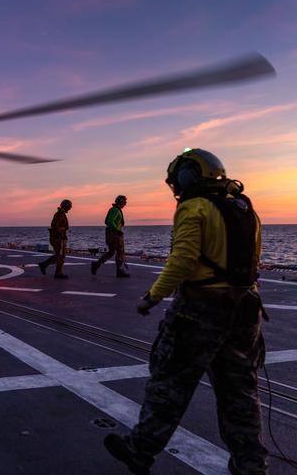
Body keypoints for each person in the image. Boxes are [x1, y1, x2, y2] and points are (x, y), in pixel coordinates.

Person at [104, 149, 268, 475]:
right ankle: (251, 465)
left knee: (168, 386)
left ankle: (140, 451)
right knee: (240, 394)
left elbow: (182, 260)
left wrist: (152, 297)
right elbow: (253, 263)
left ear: (190, 176)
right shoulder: (246, 208)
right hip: (246, 309)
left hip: (200, 312)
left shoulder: (194, 207)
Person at [91, 195, 130, 277]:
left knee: (111, 252)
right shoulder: (116, 210)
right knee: (120, 251)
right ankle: (119, 271)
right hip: (115, 234)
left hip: (110, 233)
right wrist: (117, 230)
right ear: (121, 202)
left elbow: (106, 221)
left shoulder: (113, 209)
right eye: (124, 202)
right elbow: (109, 221)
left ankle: (96, 264)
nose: (125, 204)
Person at [38, 199, 72, 279]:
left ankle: (56, 271)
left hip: (61, 237)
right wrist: (62, 231)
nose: (69, 209)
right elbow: (55, 226)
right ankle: (47, 266)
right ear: (66, 206)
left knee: (62, 256)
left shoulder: (62, 214)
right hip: (57, 238)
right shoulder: (58, 215)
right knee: (59, 256)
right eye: (69, 207)